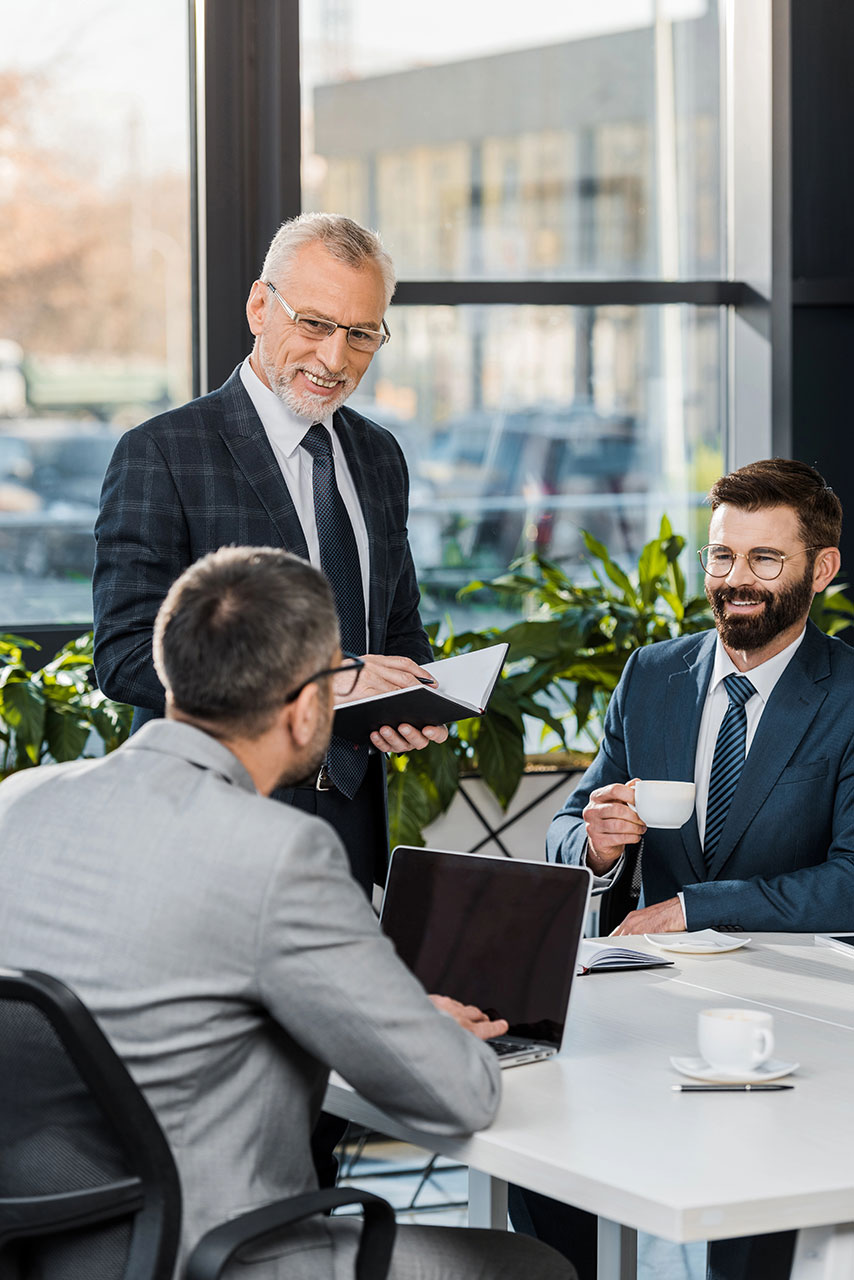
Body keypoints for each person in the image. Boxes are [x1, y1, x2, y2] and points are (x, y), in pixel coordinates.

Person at [0, 546, 574, 1280]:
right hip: (217, 1254)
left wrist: (363, 1011)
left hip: (42, 1247)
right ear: (308, 709)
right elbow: (458, 1094)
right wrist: (415, 1022)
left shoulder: (21, 800)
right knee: (530, 1266)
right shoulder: (279, 852)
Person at [512, 457, 854, 1280]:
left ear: (822, 568)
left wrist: (695, 905)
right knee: (546, 1166)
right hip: (646, 996)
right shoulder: (654, 674)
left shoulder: (846, 692)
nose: (736, 581)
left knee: (747, 1211)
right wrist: (595, 846)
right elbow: (568, 825)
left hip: (793, 1011)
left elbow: (849, 878)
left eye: (765, 560)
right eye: (721, 557)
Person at [93, 211, 445, 900]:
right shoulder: (162, 454)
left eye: (361, 334)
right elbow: (126, 657)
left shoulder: (379, 457)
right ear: (260, 306)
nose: (335, 358)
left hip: (349, 828)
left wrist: (410, 697)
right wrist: (328, 678)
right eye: (313, 324)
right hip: (209, 830)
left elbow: (396, 629)